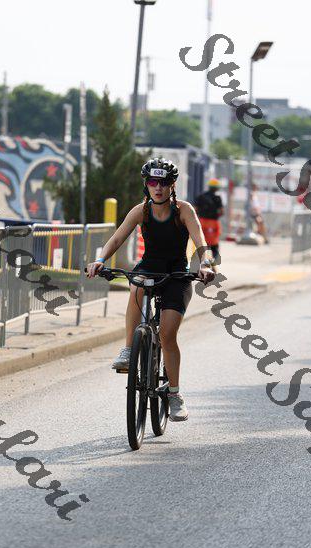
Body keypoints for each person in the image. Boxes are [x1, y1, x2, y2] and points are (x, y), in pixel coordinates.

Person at [86, 157, 216, 422]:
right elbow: (117, 238)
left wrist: (205, 263)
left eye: (164, 182)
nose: (158, 187)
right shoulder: (140, 211)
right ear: (146, 184)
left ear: (172, 185)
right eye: (153, 182)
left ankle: (174, 394)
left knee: (167, 334)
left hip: (177, 274)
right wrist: (99, 260)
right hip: (149, 268)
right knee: (136, 285)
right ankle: (128, 349)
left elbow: (201, 242)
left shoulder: (184, 210)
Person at [193, 178, 224, 260]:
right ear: (217, 188)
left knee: (201, 239)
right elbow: (221, 211)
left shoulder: (201, 196)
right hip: (213, 223)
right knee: (214, 242)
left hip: (202, 222)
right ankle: (214, 258)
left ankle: (200, 257)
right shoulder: (217, 198)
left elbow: (194, 209)